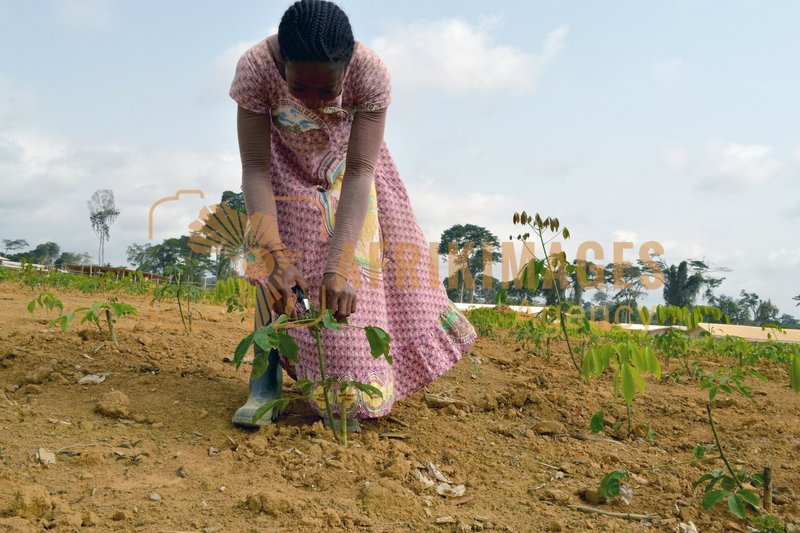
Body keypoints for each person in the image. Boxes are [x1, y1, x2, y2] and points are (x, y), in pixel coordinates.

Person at [229, 0, 475, 428]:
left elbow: (363, 171)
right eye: (299, 88)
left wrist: (340, 263)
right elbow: (255, 169)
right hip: (281, 171)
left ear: (346, 69)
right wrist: (274, 253)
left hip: (350, 172)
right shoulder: (254, 68)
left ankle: (359, 375)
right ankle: (263, 380)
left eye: (327, 91)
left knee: (350, 283)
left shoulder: (370, 72)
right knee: (272, 268)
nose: (313, 102)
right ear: (283, 64)